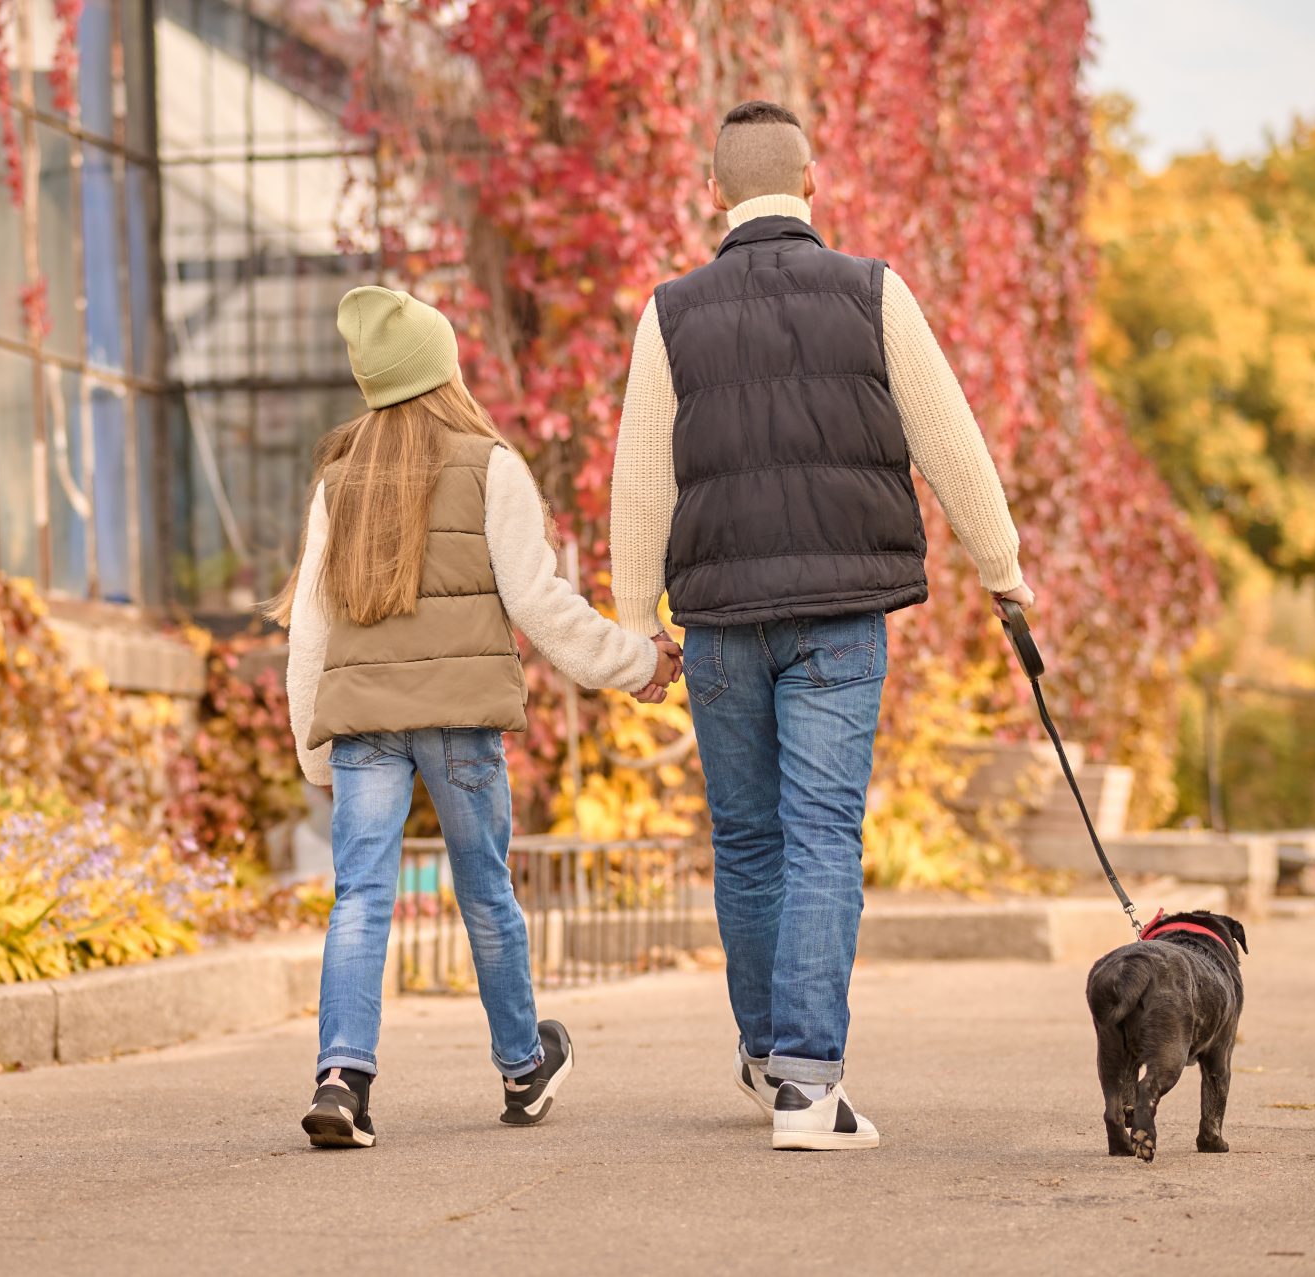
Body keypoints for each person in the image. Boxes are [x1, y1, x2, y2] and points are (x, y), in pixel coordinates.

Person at [609, 101, 1035, 1152]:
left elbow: (638, 484)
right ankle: (808, 1083)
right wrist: (1006, 574)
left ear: (716, 193)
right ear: (813, 182)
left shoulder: (668, 314)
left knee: (749, 840)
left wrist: (635, 629)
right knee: (821, 836)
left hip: (715, 625)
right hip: (840, 620)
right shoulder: (873, 291)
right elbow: (954, 445)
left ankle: (767, 1057)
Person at [274, 285, 683, 1149]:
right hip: (460, 724)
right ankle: (523, 1066)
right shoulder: (489, 465)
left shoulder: (337, 480)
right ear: (443, 371)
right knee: (487, 891)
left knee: (360, 897)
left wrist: (315, 745)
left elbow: (309, 624)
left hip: (364, 727)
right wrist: (638, 662)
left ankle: (342, 1079)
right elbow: (542, 604)